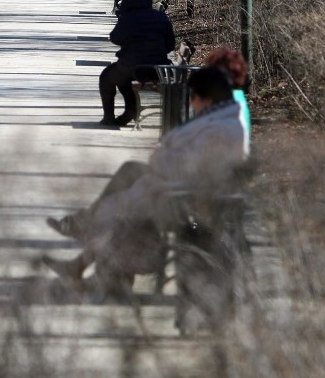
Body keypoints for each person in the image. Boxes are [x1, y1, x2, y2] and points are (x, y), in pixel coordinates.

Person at [43, 65, 250, 293]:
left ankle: (99, 262)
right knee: (129, 178)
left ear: (206, 99)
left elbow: (185, 166)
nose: (192, 103)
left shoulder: (217, 129)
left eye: (194, 98)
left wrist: (162, 156)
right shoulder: (223, 121)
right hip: (189, 194)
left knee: (121, 209)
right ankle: (86, 259)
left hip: (185, 200)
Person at [99, 0, 175, 126]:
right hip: (159, 70)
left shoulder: (126, 19)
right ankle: (130, 111)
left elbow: (115, 38)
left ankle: (112, 115)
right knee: (120, 77)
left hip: (131, 69)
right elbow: (170, 44)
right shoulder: (160, 17)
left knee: (107, 77)